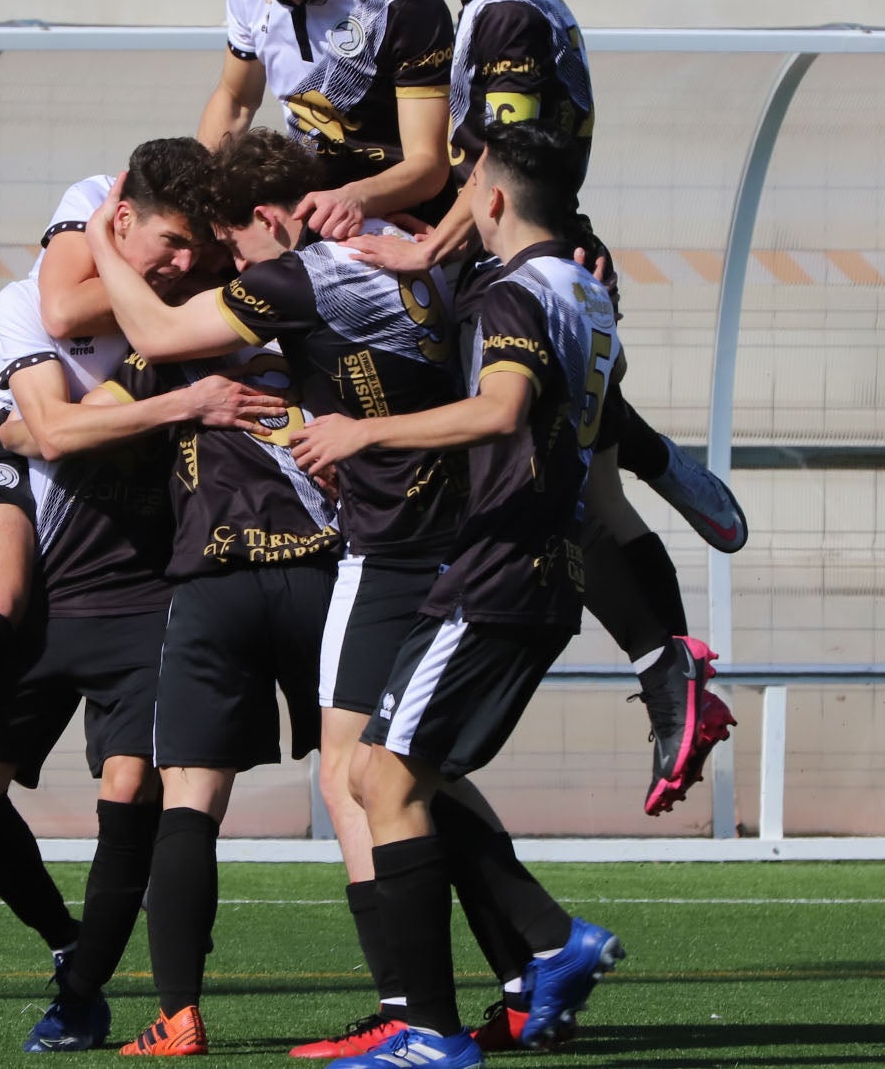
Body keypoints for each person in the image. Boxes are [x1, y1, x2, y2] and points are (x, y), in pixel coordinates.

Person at [88, 130, 608, 1057]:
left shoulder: (305, 274)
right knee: (408, 768)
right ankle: (523, 968)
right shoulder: (426, 259)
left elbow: (158, 333)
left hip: (395, 549)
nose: (232, 269)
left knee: (360, 775)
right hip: (461, 533)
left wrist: (97, 243)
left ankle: (434, 1004)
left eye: (232, 248)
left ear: (259, 220)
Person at [363, 0, 744, 817]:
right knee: (586, 492)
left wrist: (421, 249)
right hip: (558, 267)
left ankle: (670, 654)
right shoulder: (496, 6)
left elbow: (505, 157)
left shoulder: (509, 20)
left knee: (564, 495)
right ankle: (652, 480)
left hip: (545, 269)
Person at [0, 141, 274, 1053]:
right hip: (59, 580)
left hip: (146, 589)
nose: (183, 267)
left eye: (197, 251)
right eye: (166, 245)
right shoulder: (33, 303)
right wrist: (168, 408)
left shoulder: (207, 311)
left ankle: (84, 987)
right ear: (117, 219)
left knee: (130, 789)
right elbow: (36, 428)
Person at [288, 120, 627, 1068]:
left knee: (383, 782)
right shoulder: (586, 294)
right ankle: (549, 945)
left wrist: (365, 433)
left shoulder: (515, 292)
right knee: (376, 772)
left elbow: (501, 408)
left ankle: (430, 1029)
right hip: (532, 567)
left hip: (497, 570)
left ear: (489, 200)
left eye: (467, 177)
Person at [81, 179, 344, 1058]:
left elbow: (78, 424)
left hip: (215, 583)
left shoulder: (177, 343)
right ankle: (446, 992)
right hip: (321, 578)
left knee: (189, 803)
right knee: (383, 787)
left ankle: (179, 1016)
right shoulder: (330, 323)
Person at [195, 0, 456, 238]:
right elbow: (235, 100)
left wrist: (352, 198)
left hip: (392, 217)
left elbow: (428, 167)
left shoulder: (402, 1)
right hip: (302, 203)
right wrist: (203, 200)